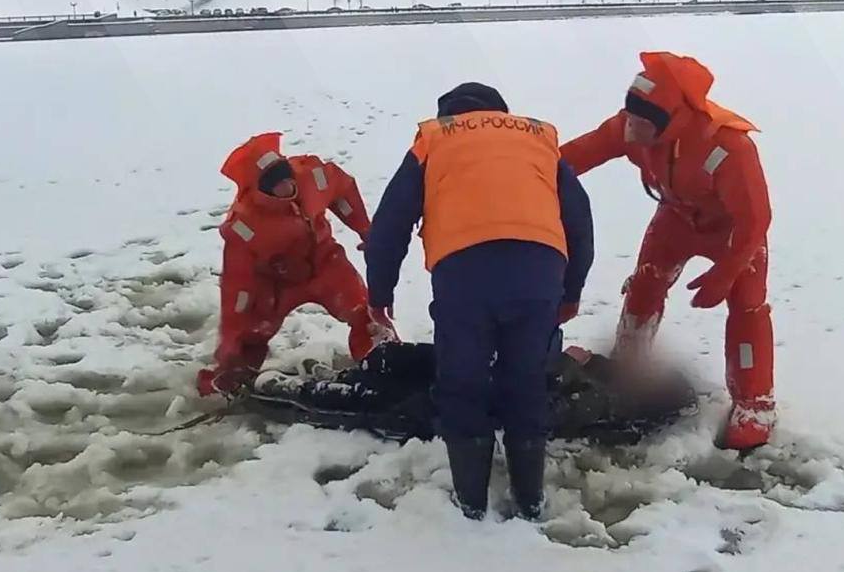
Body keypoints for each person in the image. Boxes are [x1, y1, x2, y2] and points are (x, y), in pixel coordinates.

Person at [364, 83, 594, 521]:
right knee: (526, 379)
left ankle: (471, 502)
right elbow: (579, 221)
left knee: (463, 380)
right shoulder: (539, 138)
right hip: (538, 266)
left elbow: (389, 225)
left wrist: (380, 294)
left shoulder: (435, 138)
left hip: (465, 270)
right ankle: (530, 500)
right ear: (501, 113)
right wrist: (571, 291)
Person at [560, 52, 774, 450]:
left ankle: (754, 403)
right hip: (675, 218)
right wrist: (525, 169)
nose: (632, 126)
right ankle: (629, 367)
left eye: (643, 120)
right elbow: (571, 158)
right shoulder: (629, 128)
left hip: (730, 231)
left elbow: (755, 219)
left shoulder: (729, 147)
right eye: (631, 115)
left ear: (672, 121)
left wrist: (726, 272)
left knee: (747, 306)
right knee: (645, 286)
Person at [198, 132, 394, 397]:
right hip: (275, 283)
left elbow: (343, 189)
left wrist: (366, 230)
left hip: (326, 263)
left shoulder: (313, 175)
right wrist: (231, 333)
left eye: (286, 175)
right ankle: (224, 386)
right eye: (275, 184)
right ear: (260, 189)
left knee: (365, 313)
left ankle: (388, 365)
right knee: (248, 339)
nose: (286, 186)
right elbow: (238, 284)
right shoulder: (243, 225)